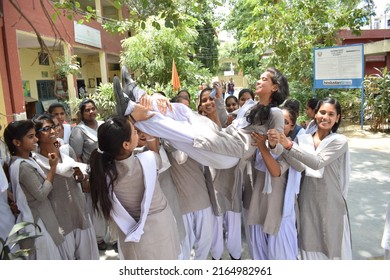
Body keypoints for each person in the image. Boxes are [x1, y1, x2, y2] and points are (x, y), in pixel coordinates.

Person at [88, 116, 180, 259]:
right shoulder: (147, 160)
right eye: (135, 132)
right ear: (125, 145)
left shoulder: (104, 173)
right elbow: (157, 157)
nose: (138, 133)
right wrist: (150, 137)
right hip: (159, 232)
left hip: (131, 237)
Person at [272, 97, 352, 260]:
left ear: (337, 118)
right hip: (307, 201)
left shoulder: (339, 141)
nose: (326, 117)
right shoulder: (303, 139)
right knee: (308, 246)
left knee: (331, 247)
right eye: (322, 112)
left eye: (331, 114)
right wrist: (276, 145)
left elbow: (317, 162)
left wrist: (287, 145)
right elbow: (299, 165)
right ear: (315, 114)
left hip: (331, 203)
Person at [31, 114, 99, 260]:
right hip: (59, 217)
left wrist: (81, 176)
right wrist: (53, 168)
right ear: (36, 135)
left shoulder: (67, 151)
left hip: (78, 209)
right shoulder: (35, 162)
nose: (52, 131)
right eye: (46, 129)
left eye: (53, 127)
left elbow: (79, 178)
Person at [248, 107, 304, 260]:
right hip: (259, 206)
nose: (279, 125)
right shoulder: (258, 143)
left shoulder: (290, 148)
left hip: (278, 213)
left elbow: (276, 171)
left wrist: (263, 146)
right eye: (275, 121)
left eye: (285, 122)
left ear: (292, 126)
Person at [4, 120, 63, 259]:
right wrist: (53, 168)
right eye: (30, 137)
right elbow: (41, 194)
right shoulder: (23, 166)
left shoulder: (21, 161)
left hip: (37, 218)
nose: (36, 139)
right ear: (17, 143)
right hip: (39, 221)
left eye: (35, 135)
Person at [69, 99, 108, 251]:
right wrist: (84, 178)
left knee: (112, 202)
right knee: (96, 205)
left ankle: (114, 236)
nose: (91, 112)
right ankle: (98, 238)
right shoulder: (79, 131)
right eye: (87, 110)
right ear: (82, 113)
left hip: (109, 170)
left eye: (93, 109)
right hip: (92, 173)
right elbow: (76, 157)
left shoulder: (103, 125)